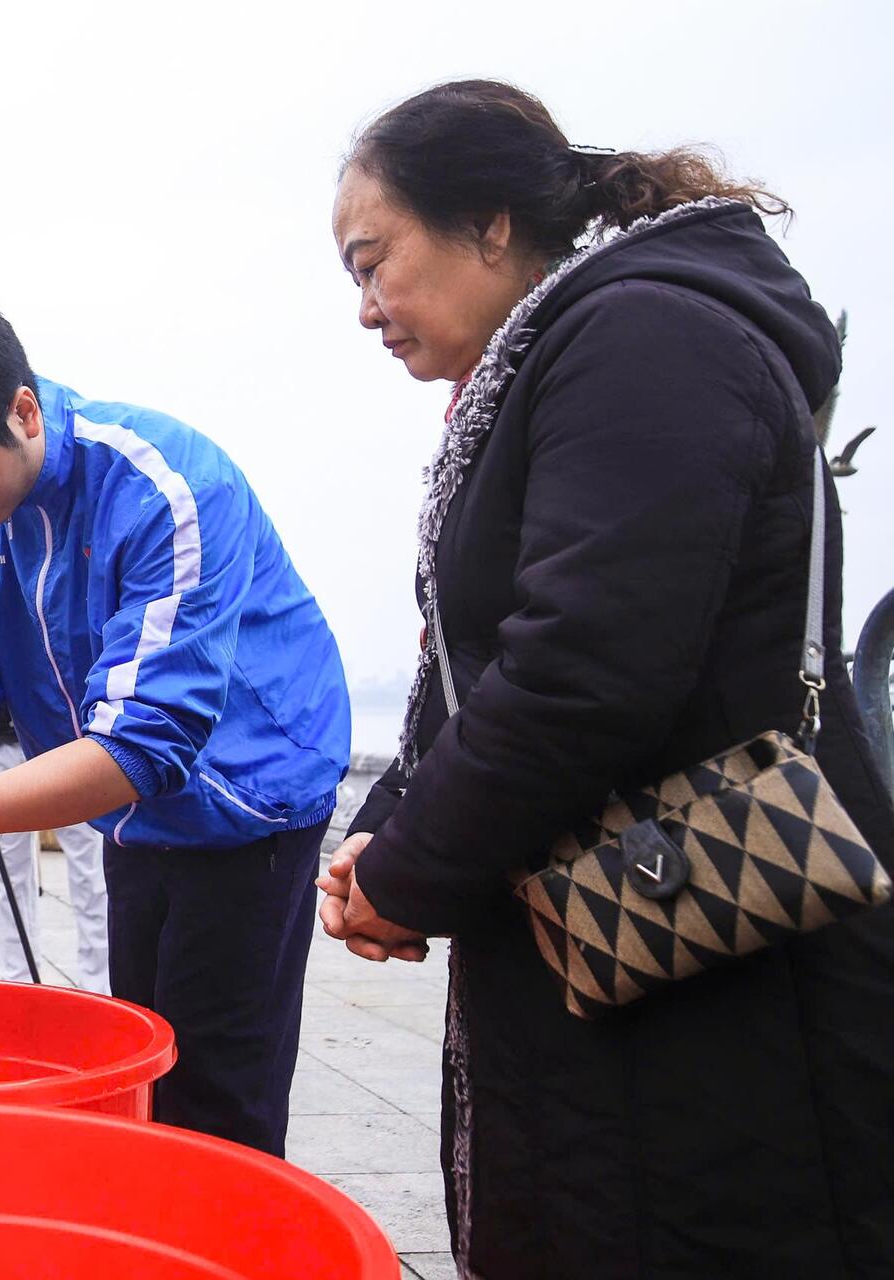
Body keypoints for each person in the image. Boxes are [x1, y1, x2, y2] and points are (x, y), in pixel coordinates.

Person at [319, 80, 894, 1279]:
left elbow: (588, 664)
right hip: (613, 933)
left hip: (715, 959)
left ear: (488, 222)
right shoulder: (565, 350)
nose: (367, 308)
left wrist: (414, 871)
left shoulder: (648, 337)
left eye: (376, 261)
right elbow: (479, 664)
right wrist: (384, 834)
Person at [0, 289, 352, 1154]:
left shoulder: (162, 485)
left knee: (217, 1096)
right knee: (145, 1061)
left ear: (21, 411)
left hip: (248, 800)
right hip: (130, 817)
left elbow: (142, 745)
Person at [0, 710, 108, 991]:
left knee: (91, 869)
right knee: (8, 870)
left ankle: (100, 985)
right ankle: (17, 981)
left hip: (69, 738)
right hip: (4, 735)